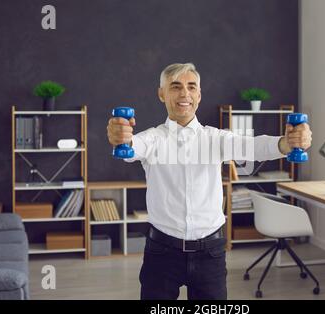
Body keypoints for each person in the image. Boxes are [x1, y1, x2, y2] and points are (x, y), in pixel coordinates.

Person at [107, 63, 312, 300]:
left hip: (210, 255)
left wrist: (289, 143)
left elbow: (255, 146)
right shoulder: (153, 139)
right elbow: (132, 146)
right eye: (176, 87)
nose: (185, 93)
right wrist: (121, 137)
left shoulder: (215, 138)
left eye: (191, 87)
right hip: (162, 253)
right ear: (161, 94)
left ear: (199, 95)